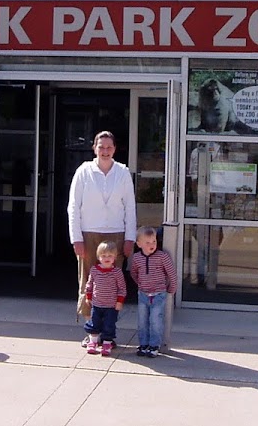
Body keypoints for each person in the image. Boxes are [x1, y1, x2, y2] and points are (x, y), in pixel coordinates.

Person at [68, 130, 137, 324]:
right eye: (101, 147)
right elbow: (73, 206)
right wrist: (76, 238)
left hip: (116, 234)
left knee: (112, 285)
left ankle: (108, 329)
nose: (105, 151)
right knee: (88, 281)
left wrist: (130, 238)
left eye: (109, 147)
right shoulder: (84, 171)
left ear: (114, 149)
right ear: (94, 148)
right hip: (88, 234)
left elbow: (130, 207)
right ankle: (91, 329)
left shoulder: (122, 172)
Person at [128, 225, 177, 357]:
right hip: (143, 293)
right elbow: (134, 272)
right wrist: (139, 283)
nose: (152, 245)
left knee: (156, 320)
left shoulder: (162, 256)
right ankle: (143, 344)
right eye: (148, 242)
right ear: (139, 244)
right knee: (142, 320)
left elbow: (171, 273)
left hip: (158, 294)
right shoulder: (137, 258)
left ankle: (154, 345)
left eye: (154, 241)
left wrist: (172, 287)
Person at [83, 241, 126, 356]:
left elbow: (122, 288)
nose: (107, 258)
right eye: (104, 256)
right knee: (94, 324)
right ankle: (93, 342)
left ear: (115, 257)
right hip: (97, 304)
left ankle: (107, 343)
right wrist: (88, 296)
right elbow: (89, 284)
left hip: (111, 306)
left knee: (109, 325)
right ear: (98, 257)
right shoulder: (95, 270)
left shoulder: (116, 272)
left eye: (110, 256)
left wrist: (119, 301)